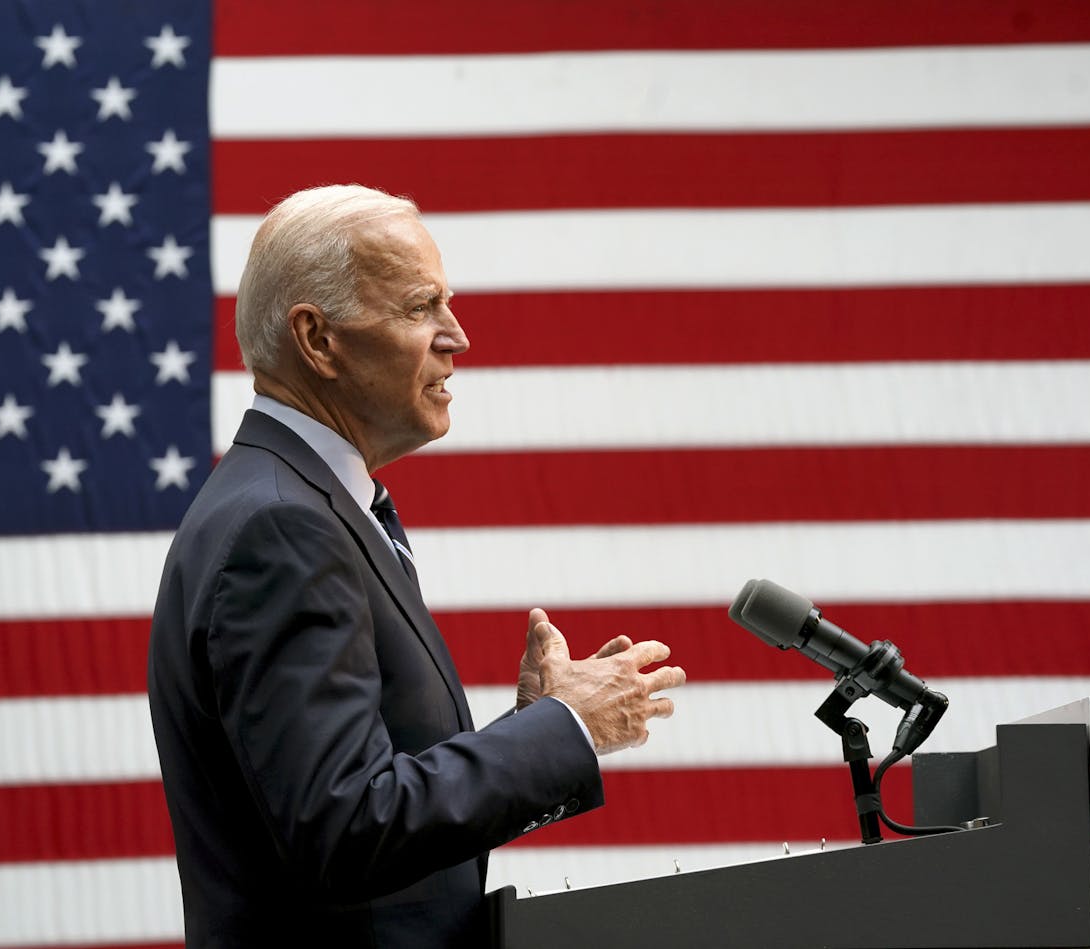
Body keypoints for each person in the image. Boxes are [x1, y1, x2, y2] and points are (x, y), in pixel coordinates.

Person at [147, 185, 686, 948]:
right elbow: (342, 825)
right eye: (420, 307)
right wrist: (566, 729)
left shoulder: (304, 505)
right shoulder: (282, 527)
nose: (457, 336)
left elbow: (366, 803)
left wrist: (529, 733)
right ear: (318, 339)